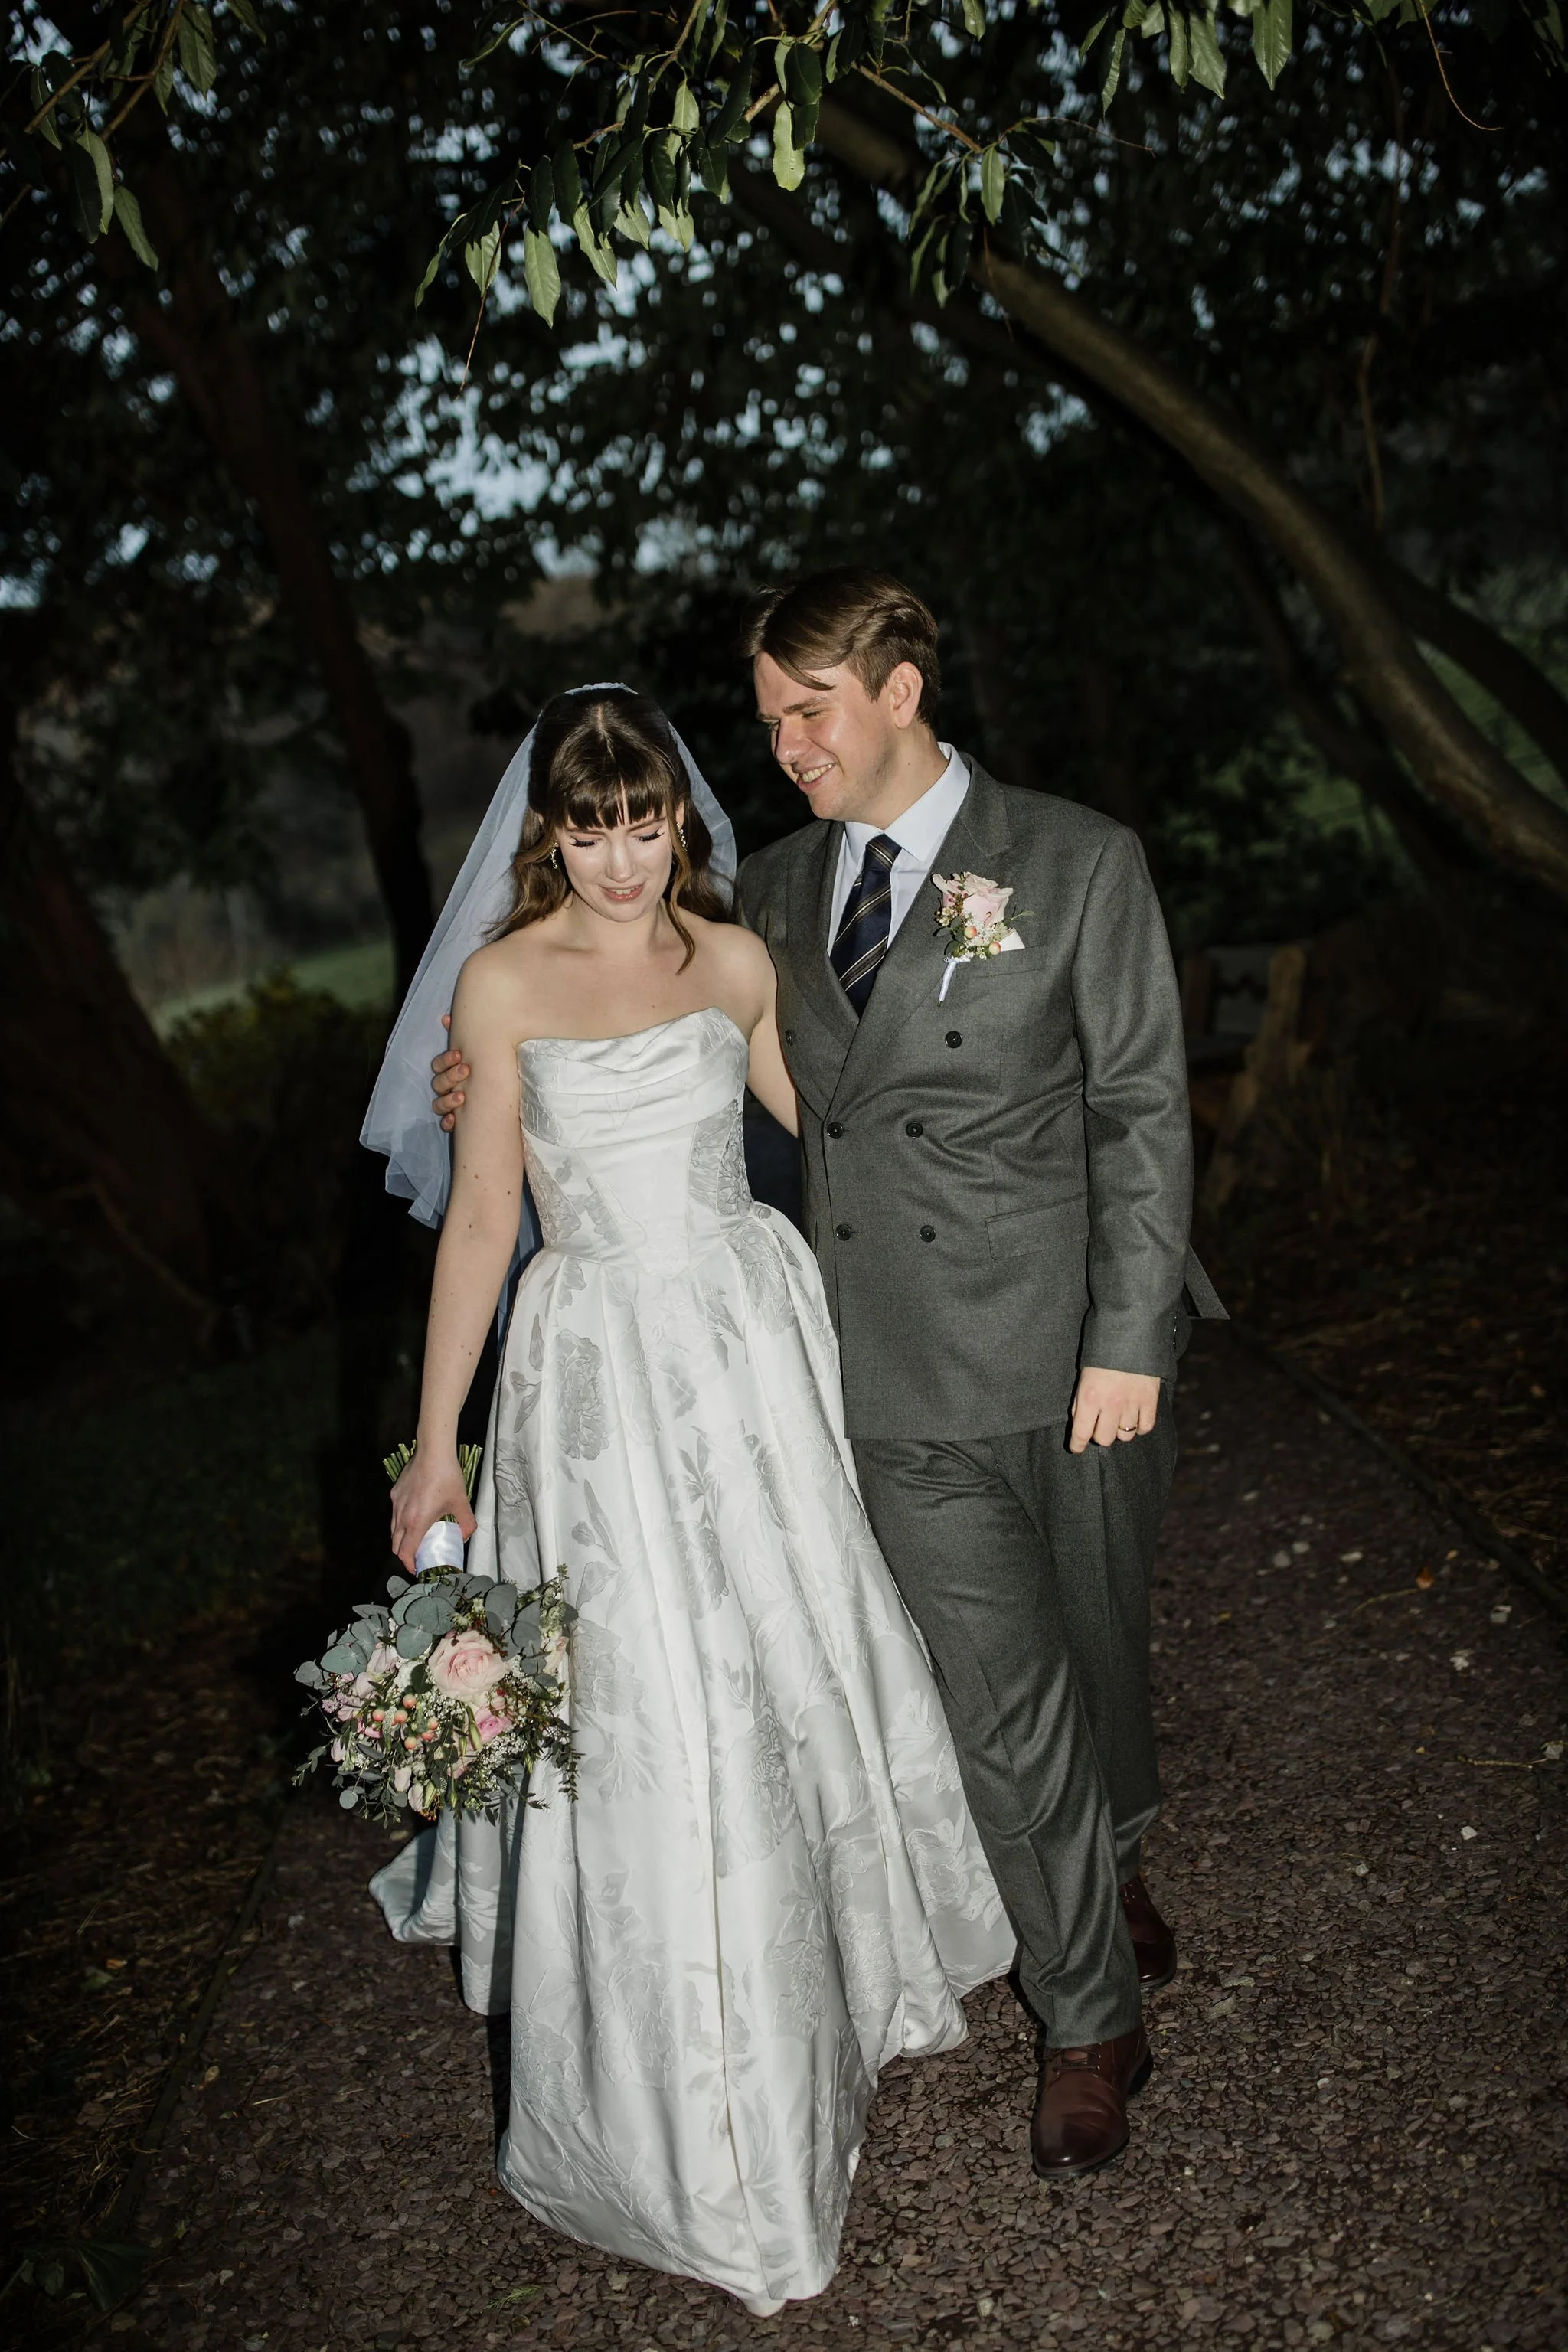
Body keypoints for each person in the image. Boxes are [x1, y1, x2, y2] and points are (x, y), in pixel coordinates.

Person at [431, 573, 1226, 2182]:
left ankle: (1116, 1855)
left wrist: (1129, 1334)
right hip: (884, 1363)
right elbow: (715, 1062)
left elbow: (1141, 1106)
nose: (784, 745)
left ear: (899, 690)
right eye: (770, 718)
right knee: (998, 1699)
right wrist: (492, 1087)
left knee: (1099, 1656)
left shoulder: (1074, 859)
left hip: (1071, 1340)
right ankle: (1089, 2021)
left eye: (811, 712)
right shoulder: (777, 899)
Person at [368, 683, 1014, 2318]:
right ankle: (679, 2089)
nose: (619, 860)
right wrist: (438, 1442)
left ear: (678, 818)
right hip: (594, 1375)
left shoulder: (734, 962)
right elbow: (483, 1217)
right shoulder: (503, 984)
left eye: (643, 824)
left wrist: (998, 1172)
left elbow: (834, 1129)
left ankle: (839, 1975)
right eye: (589, 831)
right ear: (551, 833)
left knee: (794, 1646)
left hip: (747, 1340)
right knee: (651, 1699)